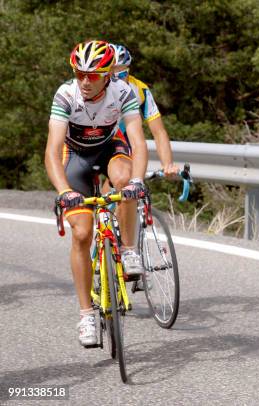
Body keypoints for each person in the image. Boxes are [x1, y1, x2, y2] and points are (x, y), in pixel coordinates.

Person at [45, 40, 149, 346]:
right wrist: (64, 191)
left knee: (125, 181)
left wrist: (138, 181)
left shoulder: (123, 92)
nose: (85, 81)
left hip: (108, 149)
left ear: (107, 75)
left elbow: (138, 142)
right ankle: (86, 315)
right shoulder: (66, 95)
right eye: (79, 73)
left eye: (92, 75)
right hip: (75, 157)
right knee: (81, 232)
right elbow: (52, 152)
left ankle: (129, 250)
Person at [110, 44, 179, 177]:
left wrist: (167, 164)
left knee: (124, 177)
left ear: (129, 70)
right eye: (113, 75)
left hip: (122, 138)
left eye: (122, 73)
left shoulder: (140, 90)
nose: (118, 80)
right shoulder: (97, 89)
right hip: (96, 138)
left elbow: (159, 132)